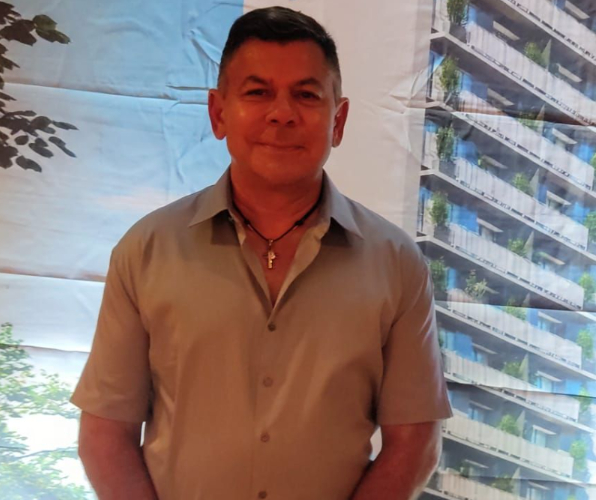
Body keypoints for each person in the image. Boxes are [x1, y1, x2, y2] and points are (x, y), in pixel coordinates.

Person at [71, 7, 452, 500]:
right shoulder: (147, 250)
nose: (282, 113)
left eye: (306, 95)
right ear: (218, 113)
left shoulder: (396, 264)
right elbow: (105, 434)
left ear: (338, 121)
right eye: (257, 93)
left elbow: (415, 442)